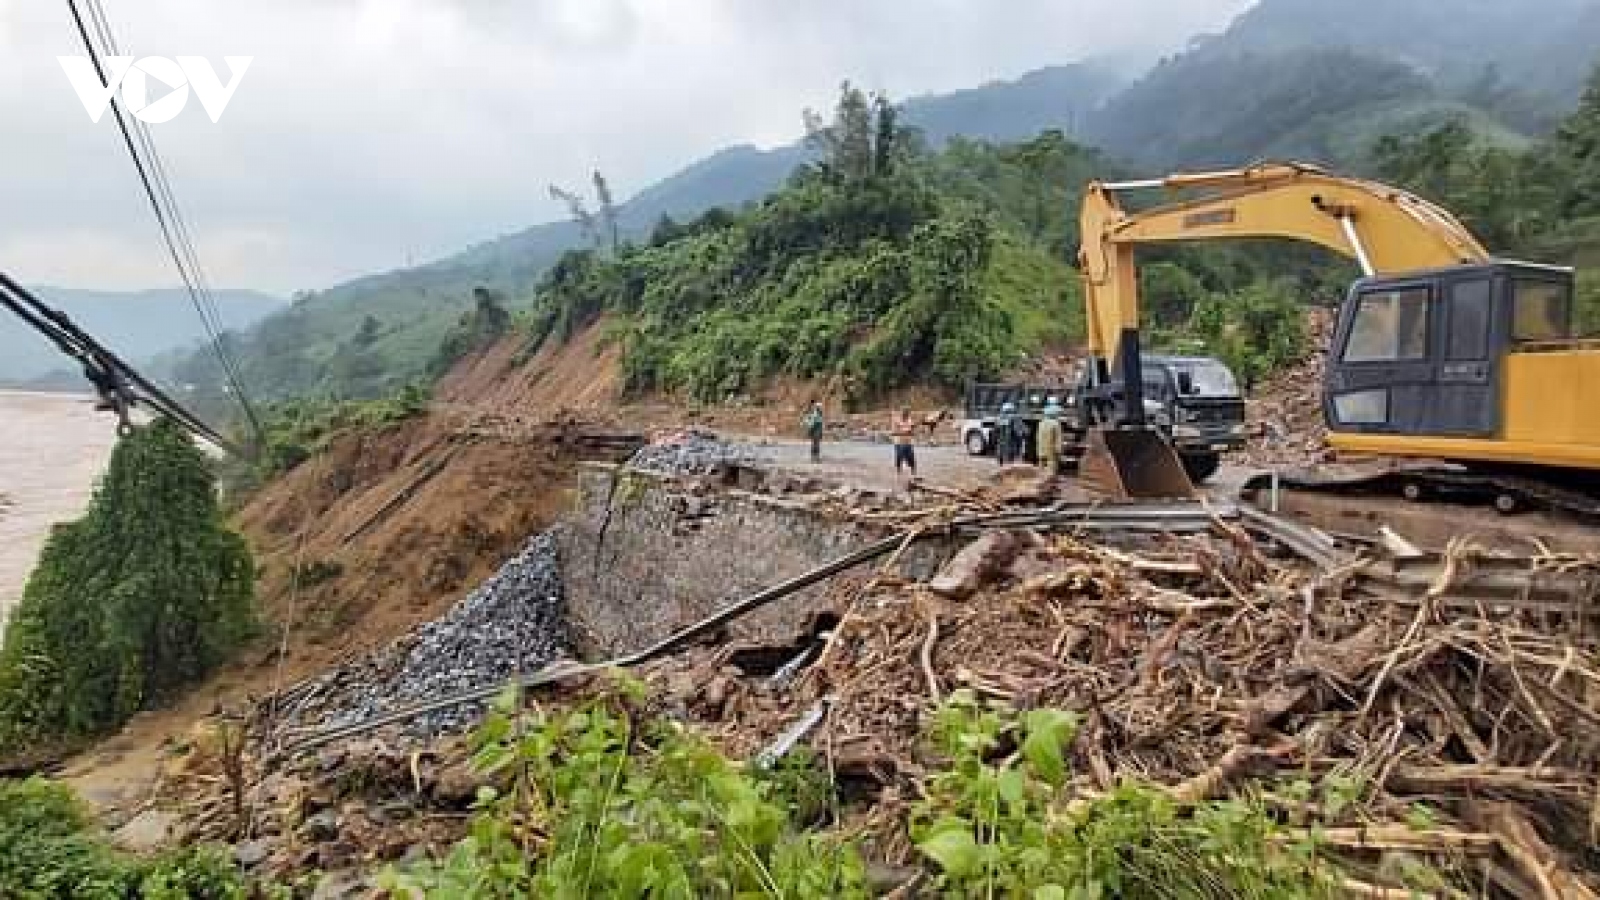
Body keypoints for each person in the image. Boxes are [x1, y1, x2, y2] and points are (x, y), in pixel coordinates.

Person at [892, 407, 918, 482]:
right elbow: (893, 433)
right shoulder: (896, 421)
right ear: (901, 413)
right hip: (899, 443)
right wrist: (904, 432)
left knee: (912, 459)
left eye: (907, 414)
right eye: (904, 413)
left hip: (908, 443)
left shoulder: (910, 421)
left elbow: (913, 433)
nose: (906, 415)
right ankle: (898, 476)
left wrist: (911, 431)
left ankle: (914, 476)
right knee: (899, 459)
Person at [1037, 398, 1064, 471]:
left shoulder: (1041, 423)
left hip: (1041, 449)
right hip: (1051, 450)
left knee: (1041, 466)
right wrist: (1059, 451)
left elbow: (1038, 437)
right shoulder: (1056, 424)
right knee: (1051, 467)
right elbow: (1058, 439)